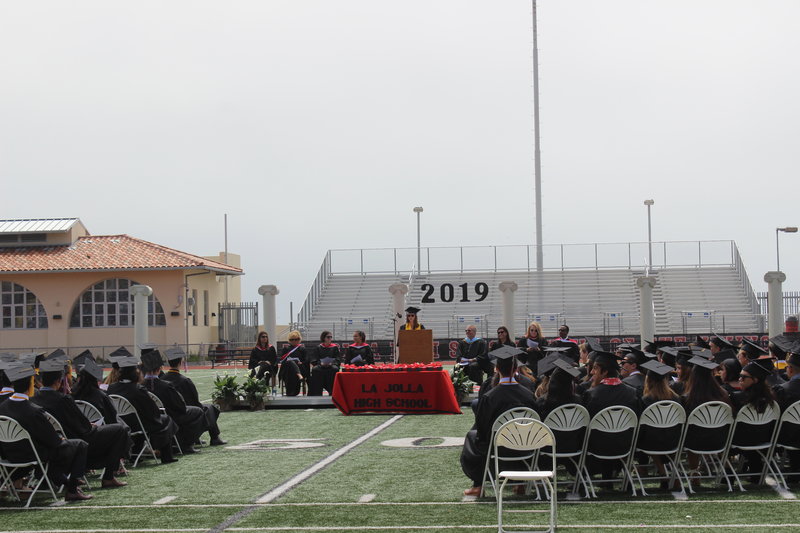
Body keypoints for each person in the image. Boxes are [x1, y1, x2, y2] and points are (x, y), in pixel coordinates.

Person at [33, 359, 131, 488]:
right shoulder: (63, 399)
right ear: (58, 381)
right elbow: (83, 427)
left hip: (54, 440)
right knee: (120, 430)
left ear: (41, 379)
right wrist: (90, 425)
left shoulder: (34, 399)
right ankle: (108, 477)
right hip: (77, 439)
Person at [0, 364, 92, 501]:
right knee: (80, 445)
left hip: (9, 455)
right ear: (31, 384)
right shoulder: (33, 410)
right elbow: (53, 441)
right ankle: (72, 490)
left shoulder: (2, 407)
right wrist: (60, 438)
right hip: (32, 455)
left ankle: (62, 481)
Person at [460, 347, 537, 496]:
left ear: (496, 369)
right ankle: (520, 482)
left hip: (498, 446)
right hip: (526, 445)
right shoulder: (529, 395)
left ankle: (478, 485)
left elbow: (482, 428)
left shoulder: (490, 397)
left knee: (473, 437)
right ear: (516, 369)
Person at [107, 356, 179, 464]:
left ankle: (135, 454)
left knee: (143, 420)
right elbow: (152, 410)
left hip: (120, 423)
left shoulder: (111, 388)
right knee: (166, 419)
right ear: (135, 373)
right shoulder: (138, 389)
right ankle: (166, 456)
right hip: (138, 424)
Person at [140, 350, 205, 454]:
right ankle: (187, 444)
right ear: (160, 369)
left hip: (148, 418)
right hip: (169, 416)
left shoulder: (140, 387)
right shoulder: (165, 386)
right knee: (198, 411)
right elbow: (180, 407)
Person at [162, 347, 227, 446]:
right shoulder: (185, 381)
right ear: (180, 362)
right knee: (211, 408)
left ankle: (198, 438)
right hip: (184, 413)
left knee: (207, 408)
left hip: (168, 413)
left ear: (169, 362)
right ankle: (215, 438)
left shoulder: (162, 379)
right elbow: (195, 402)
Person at [730, 359, 779, 476]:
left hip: (739, 441)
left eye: (743, 377)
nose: (739, 379)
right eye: (739, 376)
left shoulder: (737, 398)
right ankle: (755, 470)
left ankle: (728, 471)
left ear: (755, 380)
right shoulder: (771, 399)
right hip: (765, 440)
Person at [308, 331, 340, 396]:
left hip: (331, 366)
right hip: (320, 366)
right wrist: (320, 363)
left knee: (335, 369)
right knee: (315, 369)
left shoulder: (335, 347)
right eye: (328, 337)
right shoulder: (318, 347)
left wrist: (332, 363)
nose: (330, 338)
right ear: (323, 338)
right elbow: (314, 359)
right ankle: (317, 393)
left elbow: (338, 358)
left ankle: (333, 391)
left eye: (331, 337)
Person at [279, 330, 308, 396]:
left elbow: (306, 360)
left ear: (299, 339)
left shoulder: (302, 349)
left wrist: (301, 362)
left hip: (300, 367)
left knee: (292, 365)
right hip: (287, 370)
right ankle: (299, 375)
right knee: (290, 363)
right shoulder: (286, 349)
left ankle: (294, 390)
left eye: (296, 339)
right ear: (289, 340)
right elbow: (282, 360)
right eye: (292, 340)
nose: (294, 341)